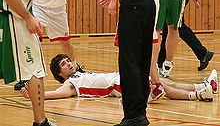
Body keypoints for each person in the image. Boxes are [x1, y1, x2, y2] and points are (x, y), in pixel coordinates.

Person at [20, 54, 218, 102]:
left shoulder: (80, 73)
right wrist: (34, 95)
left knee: (162, 81)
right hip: (118, 86)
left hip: (121, 77)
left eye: (68, 60)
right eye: (63, 65)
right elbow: (55, 93)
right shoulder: (71, 84)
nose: (68, 63)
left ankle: (201, 86)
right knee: (162, 88)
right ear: (60, 74)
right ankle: (198, 95)